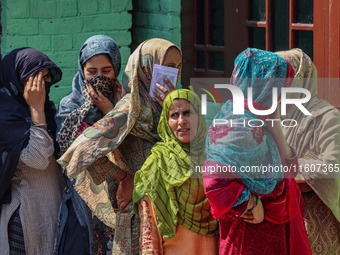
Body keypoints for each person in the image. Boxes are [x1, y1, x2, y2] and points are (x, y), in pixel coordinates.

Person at [58, 38, 181, 254]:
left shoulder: (170, 105)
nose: (172, 74)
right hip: (127, 207)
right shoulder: (128, 107)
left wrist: (171, 111)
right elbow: (79, 151)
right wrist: (125, 179)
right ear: (146, 67)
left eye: (176, 67)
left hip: (164, 207)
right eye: (165, 67)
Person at [202, 48, 312, 254]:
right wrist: (250, 204)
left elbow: (290, 170)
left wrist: (276, 127)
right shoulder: (237, 124)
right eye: (279, 88)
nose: (281, 96)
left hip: (274, 237)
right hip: (246, 239)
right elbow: (214, 179)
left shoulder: (260, 122)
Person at [54, 35, 123, 254]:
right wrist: (111, 118)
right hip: (81, 200)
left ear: (116, 70)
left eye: (106, 71)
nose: (99, 78)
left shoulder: (125, 102)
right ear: (82, 70)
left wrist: (113, 111)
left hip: (120, 197)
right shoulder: (69, 106)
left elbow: (132, 150)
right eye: (92, 72)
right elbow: (71, 154)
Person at [132, 89, 219, 254]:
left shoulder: (214, 157)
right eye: (174, 115)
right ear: (166, 120)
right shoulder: (157, 163)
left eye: (187, 113)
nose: (181, 121)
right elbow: (148, 227)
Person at [0, 48, 65, 254]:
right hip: (26, 216)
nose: (42, 85)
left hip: (53, 209)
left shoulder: (48, 110)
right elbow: (38, 158)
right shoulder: (5, 116)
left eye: (46, 77)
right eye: (35, 78)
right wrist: (35, 110)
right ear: (18, 80)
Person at [277, 48, 340, 254]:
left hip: (314, 216)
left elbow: (331, 167)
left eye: (284, 77)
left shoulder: (326, 117)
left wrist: (288, 166)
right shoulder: (269, 115)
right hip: (277, 213)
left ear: (300, 80)